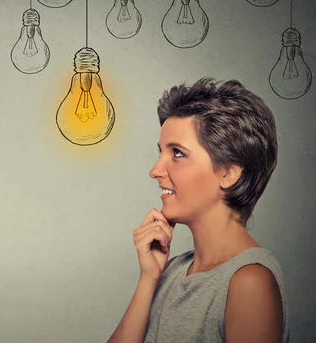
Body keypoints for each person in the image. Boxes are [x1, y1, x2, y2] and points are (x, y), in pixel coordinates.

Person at [107, 77, 290, 343]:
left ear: (228, 173)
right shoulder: (172, 271)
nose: (155, 171)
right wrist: (149, 278)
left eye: (178, 153)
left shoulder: (249, 282)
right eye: (161, 153)